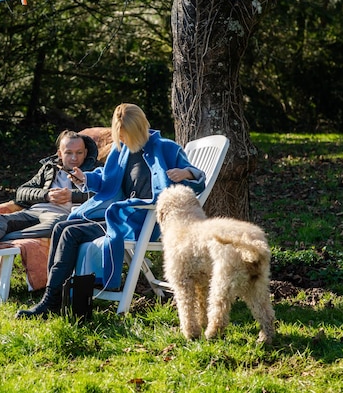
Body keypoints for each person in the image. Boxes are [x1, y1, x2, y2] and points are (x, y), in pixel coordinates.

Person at [15, 103, 206, 318]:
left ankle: (53, 300)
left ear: (139, 129)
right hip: (119, 217)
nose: (122, 141)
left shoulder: (167, 148)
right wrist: (85, 178)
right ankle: (55, 296)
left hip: (144, 222)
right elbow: (107, 179)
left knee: (70, 232)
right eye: (120, 136)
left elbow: (200, 181)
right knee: (61, 226)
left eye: (126, 136)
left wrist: (186, 173)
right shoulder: (122, 151)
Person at [0, 130, 98, 252]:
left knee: (58, 225)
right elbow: (22, 191)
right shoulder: (48, 169)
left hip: (62, 215)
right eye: (69, 153)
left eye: (79, 153)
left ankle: (2, 237)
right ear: (60, 153)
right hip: (35, 210)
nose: (74, 158)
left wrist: (72, 195)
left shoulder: (94, 171)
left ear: (85, 153)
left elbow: (104, 193)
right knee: (1, 219)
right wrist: (46, 195)